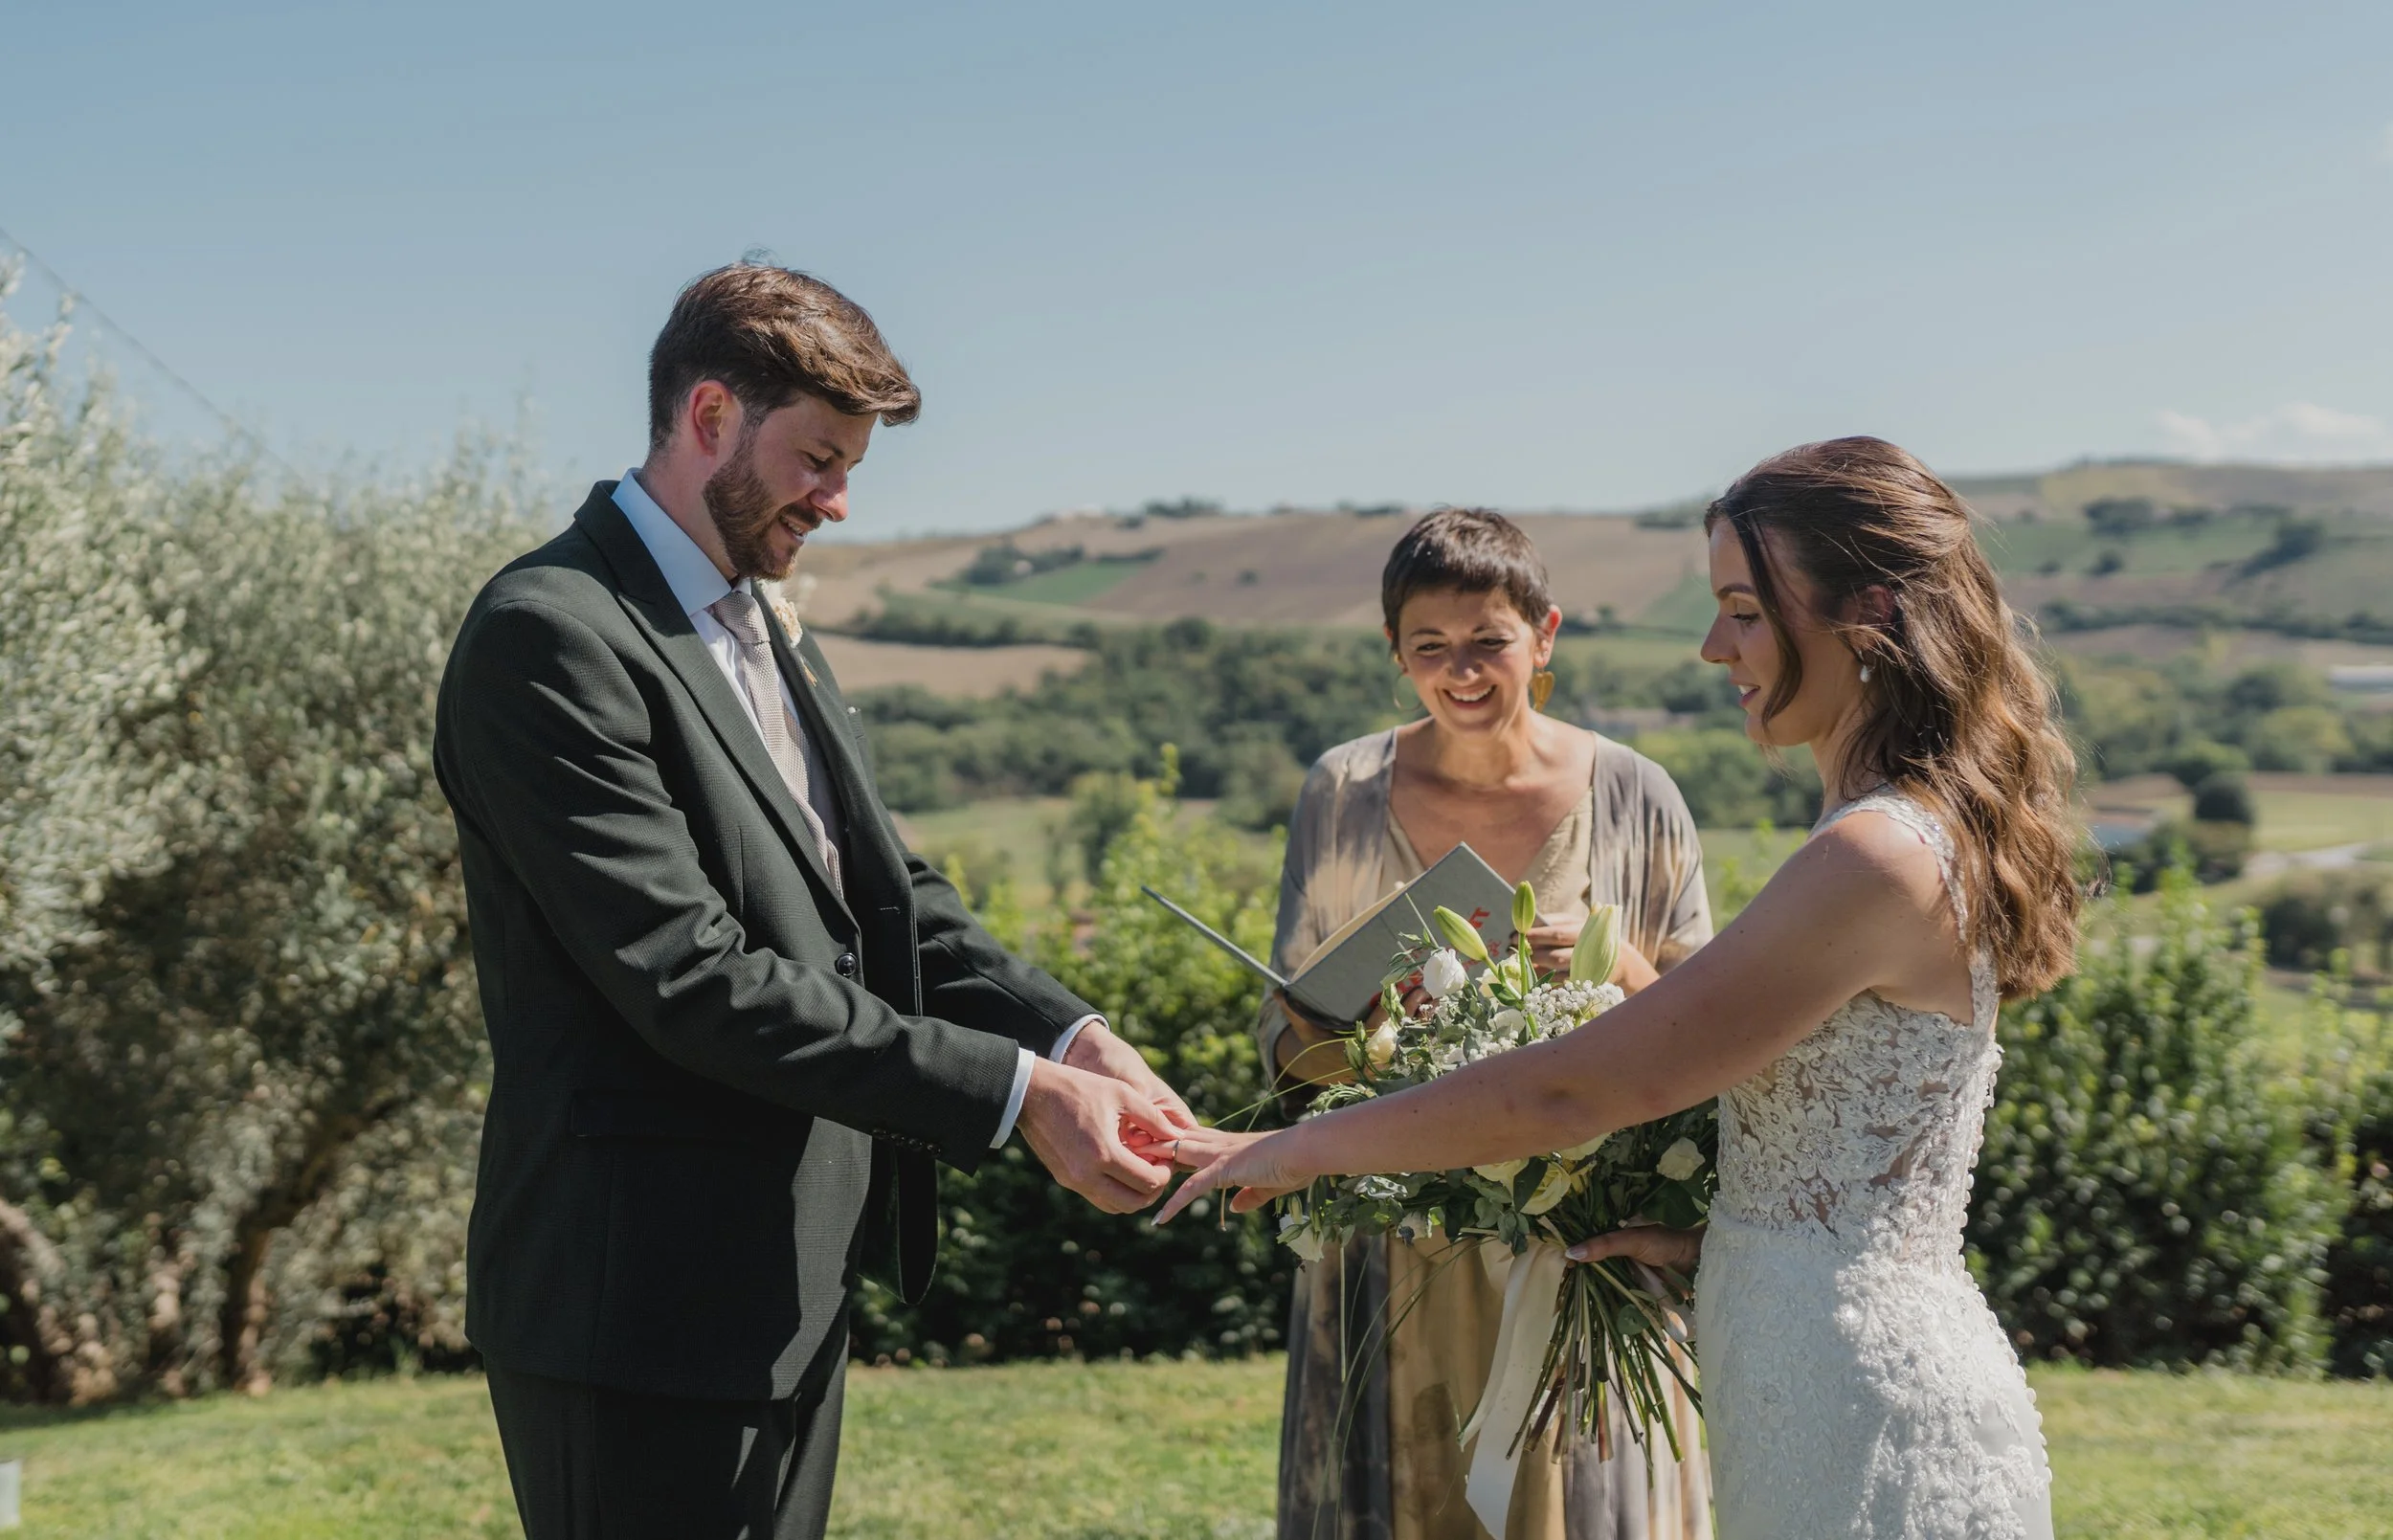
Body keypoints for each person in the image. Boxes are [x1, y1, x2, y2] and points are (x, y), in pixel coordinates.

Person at [1166, 439, 2083, 1540]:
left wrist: (1288, 1147)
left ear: (1865, 615)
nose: (1711, 645)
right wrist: (1722, 1243)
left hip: (1855, 1410)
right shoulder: (1893, 837)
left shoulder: (1875, 857)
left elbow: (1571, 1094)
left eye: (1743, 610)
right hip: (1806, 1372)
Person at [433, 262, 1191, 1540]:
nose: (838, 501)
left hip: (787, 1287)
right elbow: (696, 979)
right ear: (711, 416)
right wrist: (1019, 1099)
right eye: (820, 460)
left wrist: (1070, 1035)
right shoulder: (549, 635)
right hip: (636, 1307)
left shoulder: (765, 629)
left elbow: (892, 903)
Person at [1256, 508, 1713, 1540]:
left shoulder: (1639, 796)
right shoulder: (1340, 792)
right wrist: (1352, 1028)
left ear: (1543, 634)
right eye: (1430, 648)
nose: (1460, 671)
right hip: (1394, 1247)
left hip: (1588, 1247)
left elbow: (1709, 1036)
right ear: (1396, 654)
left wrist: (1624, 975)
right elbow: (1288, 1041)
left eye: (1488, 642)